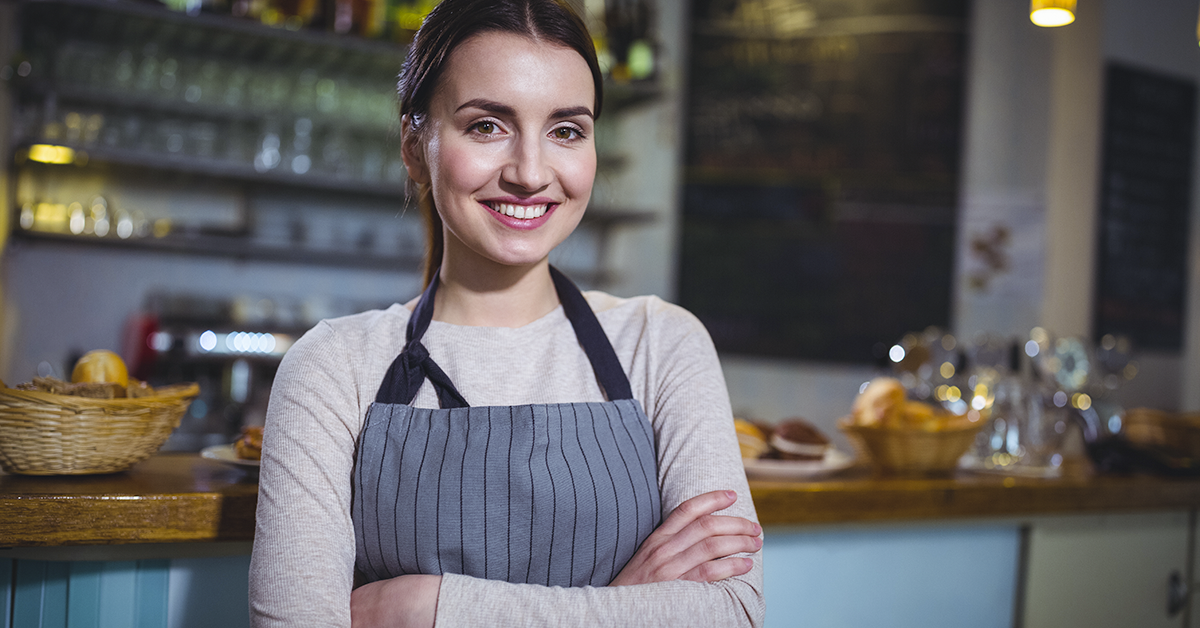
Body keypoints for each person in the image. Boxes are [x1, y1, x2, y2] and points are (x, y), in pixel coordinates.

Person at [248, 0, 764, 626]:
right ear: (416, 148)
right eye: (488, 126)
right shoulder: (332, 368)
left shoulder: (662, 342)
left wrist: (427, 607)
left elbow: (731, 612)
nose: (530, 172)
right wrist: (625, 603)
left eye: (566, 130)